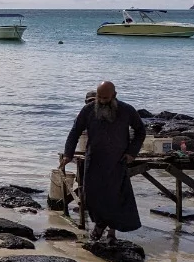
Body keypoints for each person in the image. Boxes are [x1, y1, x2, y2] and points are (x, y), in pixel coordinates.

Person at [60, 81, 146, 243]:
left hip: (117, 161)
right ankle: (100, 224)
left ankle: (111, 232)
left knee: (115, 197)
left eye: (105, 97)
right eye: (99, 97)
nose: (101, 100)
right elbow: (75, 132)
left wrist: (131, 153)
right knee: (92, 196)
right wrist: (68, 154)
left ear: (114, 95)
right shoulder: (88, 110)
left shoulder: (127, 110)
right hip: (94, 160)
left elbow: (141, 131)